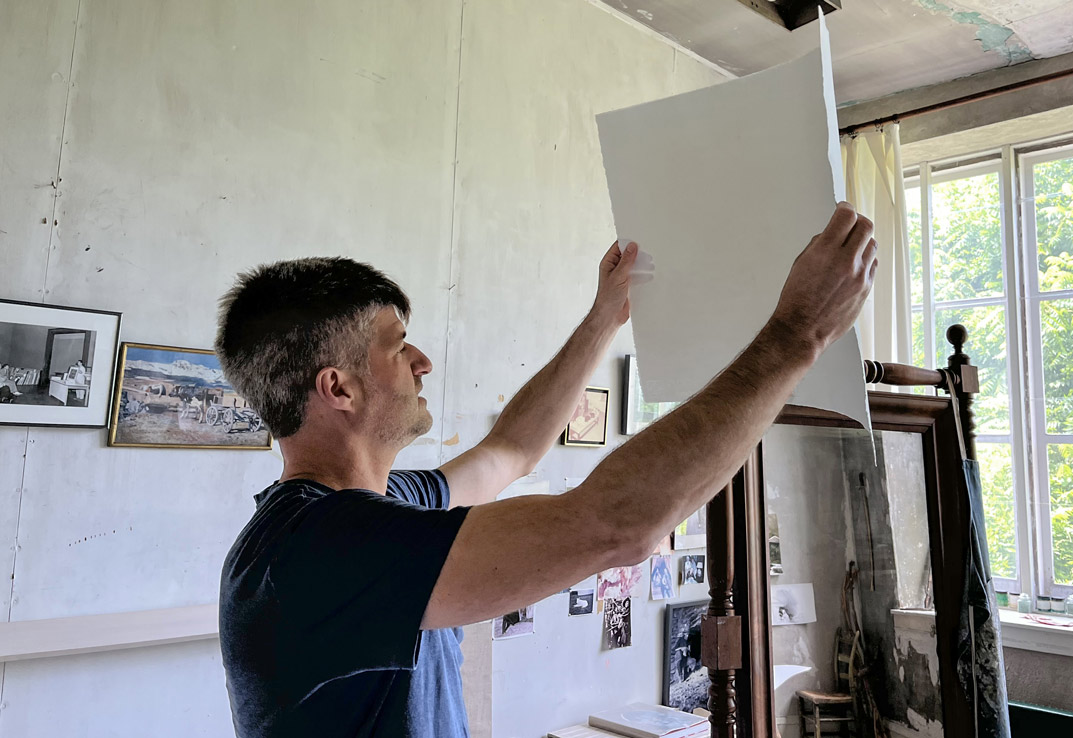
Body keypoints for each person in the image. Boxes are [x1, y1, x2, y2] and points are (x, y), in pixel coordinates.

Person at [215, 203, 876, 737]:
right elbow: (615, 524)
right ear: (339, 389)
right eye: (396, 346)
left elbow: (513, 449)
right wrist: (798, 335)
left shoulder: (388, 503)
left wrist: (604, 317)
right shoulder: (317, 550)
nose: (422, 361)